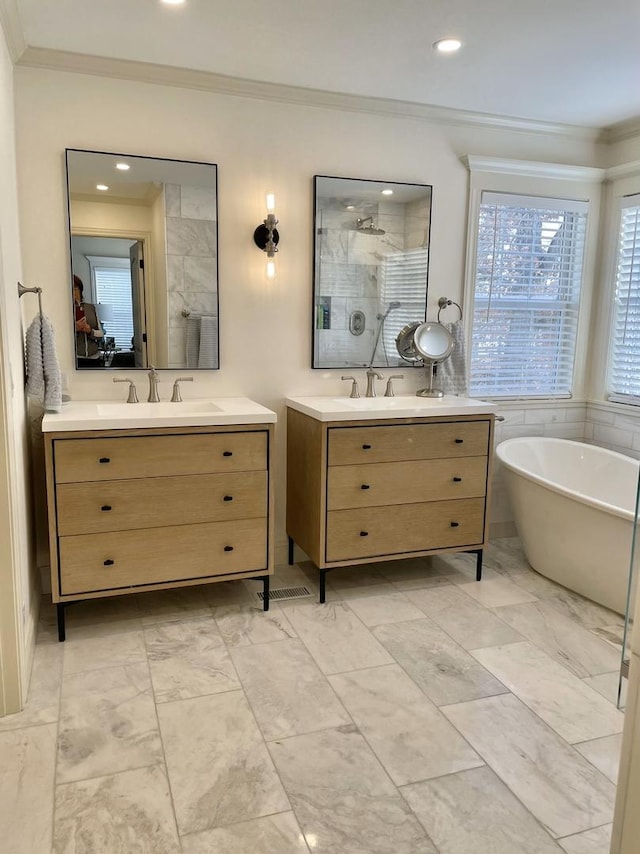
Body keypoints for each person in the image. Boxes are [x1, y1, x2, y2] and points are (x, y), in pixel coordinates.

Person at [73, 275, 104, 367]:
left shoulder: (91, 308)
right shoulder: (64, 310)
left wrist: (90, 331)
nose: (73, 292)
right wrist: (75, 329)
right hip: (75, 359)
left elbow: (101, 334)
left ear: (80, 290)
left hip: (94, 358)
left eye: (75, 288)